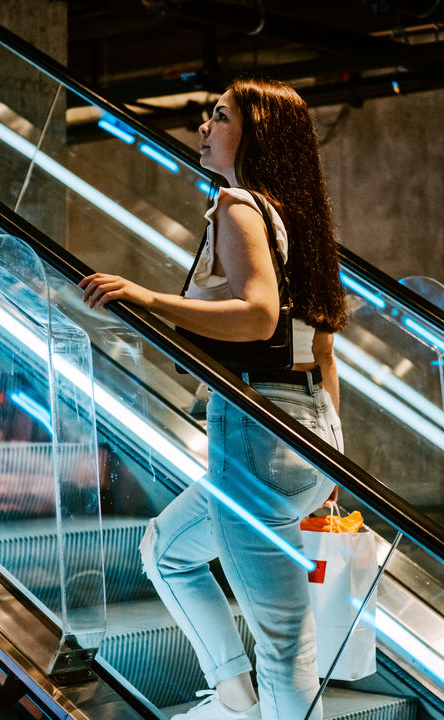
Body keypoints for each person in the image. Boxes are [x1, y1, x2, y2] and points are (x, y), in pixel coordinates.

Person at [79, 78, 347, 720]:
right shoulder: (298, 220)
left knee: (285, 648)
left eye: (220, 116)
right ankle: (233, 693)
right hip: (314, 432)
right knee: (164, 550)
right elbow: (325, 350)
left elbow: (257, 318)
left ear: (254, 136)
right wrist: (334, 467)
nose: (203, 126)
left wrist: (143, 298)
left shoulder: (238, 206)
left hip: (259, 429)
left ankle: (251, 699)